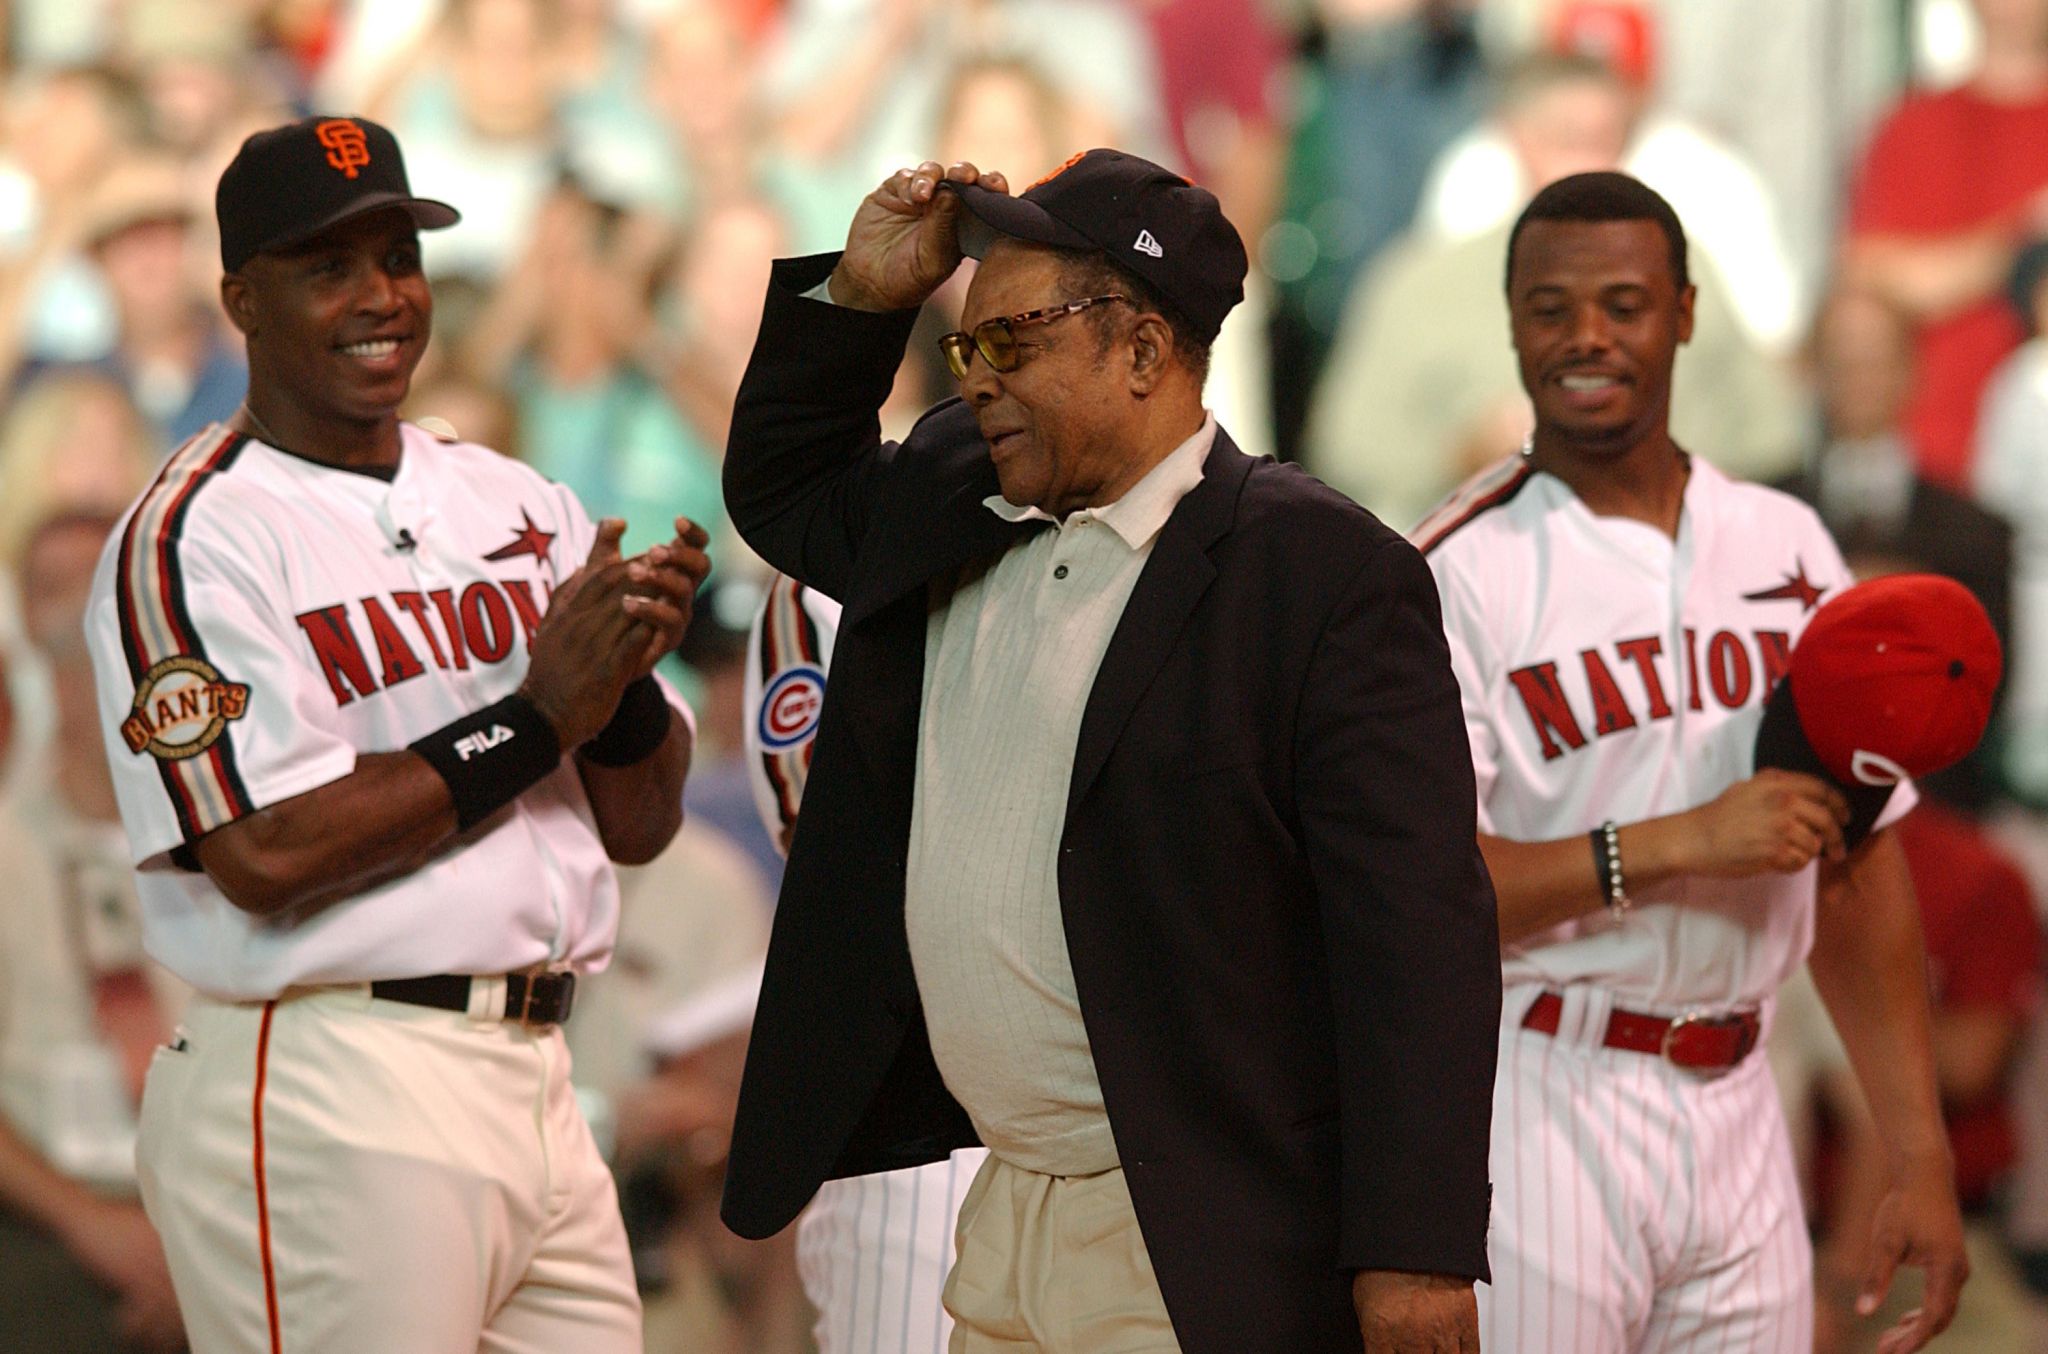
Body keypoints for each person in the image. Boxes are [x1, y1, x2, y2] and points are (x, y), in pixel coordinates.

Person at [718, 150, 1501, 1353]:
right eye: (966, 349)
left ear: (1140, 351)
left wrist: (1415, 1248)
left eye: (1012, 344)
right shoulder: (953, 492)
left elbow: (1415, 937)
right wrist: (863, 302)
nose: (975, 380)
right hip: (1004, 1204)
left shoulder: (1317, 573)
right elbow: (780, 487)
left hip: (1201, 1224)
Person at [80, 115, 708, 1354]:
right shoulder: (194, 535)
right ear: (241, 300)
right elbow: (262, 853)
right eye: (330, 267)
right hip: (330, 1071)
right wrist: (538, 718)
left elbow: (638, 824)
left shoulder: (514, 496)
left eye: (399, 259)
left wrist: (624, 673)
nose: (382, 297)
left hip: (537, 1070)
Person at [1417, 170, 1968, 1353]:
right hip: (1544, 1085)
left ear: (1682, 313)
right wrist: (1670, 845)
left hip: (1742, 1094)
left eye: (1621, 302)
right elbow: (1419, 896)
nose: (1585, 338)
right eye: (1549, 307)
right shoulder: (1451, 568)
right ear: (1510, 320)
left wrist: (1916, 1155)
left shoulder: (1784, 542)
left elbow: (1857, 866)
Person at [744, 571, 989, 1354]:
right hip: (914, 1106)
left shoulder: (1135, 556)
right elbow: (829, 847)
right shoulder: (827, 577)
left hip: (1112, 1113)